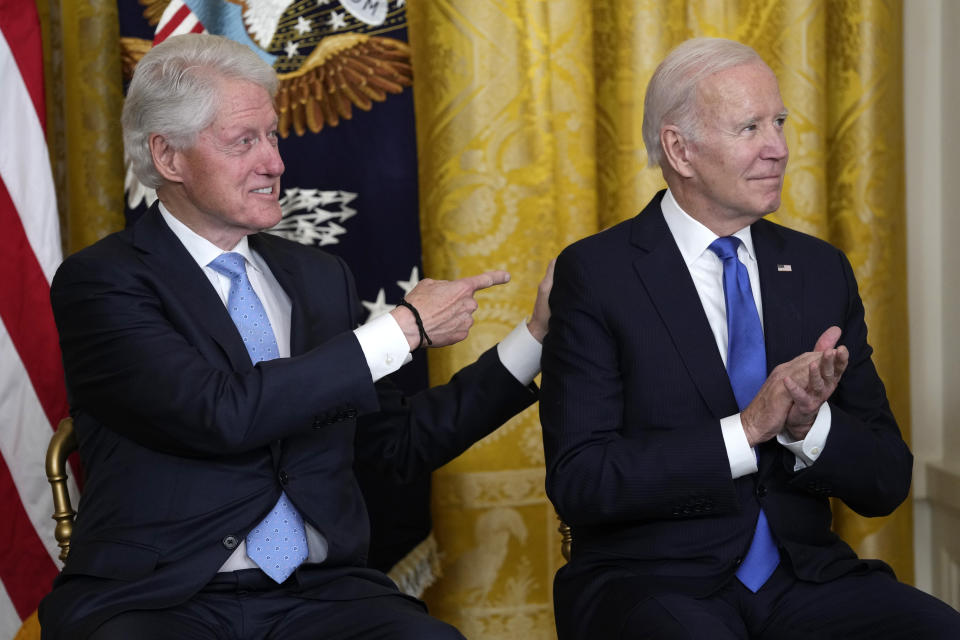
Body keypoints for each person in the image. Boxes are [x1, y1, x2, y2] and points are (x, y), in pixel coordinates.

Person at [39, 33, 552, 640]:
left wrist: (537, 335)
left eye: (274, 136)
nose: (276, 163)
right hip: (161, 599)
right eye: (244, 142)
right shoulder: (102, 281)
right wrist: (404, 328)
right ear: (169, 157)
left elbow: (392, 445)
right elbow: (222, 413)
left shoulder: (318, 277)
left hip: (321, 597)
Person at [540, 37, 960, 639]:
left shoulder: (820, 270)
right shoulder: (599, 274)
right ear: (679, 150)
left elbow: (886, 481)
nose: (779, 149)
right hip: (654, 583)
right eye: (749, 128)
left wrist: (807, 426)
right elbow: (582, 481)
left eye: (780, 122)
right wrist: (747, 430)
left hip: (806, 581)